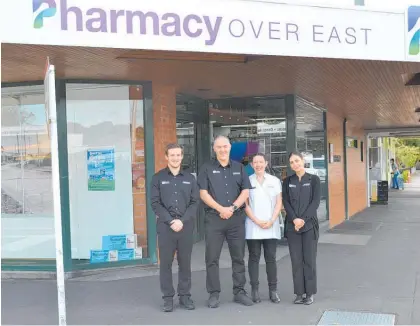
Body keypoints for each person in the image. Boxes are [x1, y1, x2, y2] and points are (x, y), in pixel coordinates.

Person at [197, 135, 254, 308]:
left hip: (235, 220)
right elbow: (203, 193)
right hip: (214, 220)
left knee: (238, 257)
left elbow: (245, 191)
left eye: (225, 146)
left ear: (230, 147)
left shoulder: (239, 167)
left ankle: (239, 292)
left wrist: (232, 208)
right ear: (214, 149)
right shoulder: (206, 168)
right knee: (212, 258)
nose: (223, 150)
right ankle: (214, 294)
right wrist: (221, 209)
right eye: (219, 147)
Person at [151, 143, 199, 312]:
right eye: (172, 155)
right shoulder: (157, 178)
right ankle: (168, 298)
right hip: (165, 227)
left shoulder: (190, 178)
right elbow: (155, 204)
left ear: (182, 156)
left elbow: (194, 203)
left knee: (185, 263)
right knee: (166, 263)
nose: (175, 158)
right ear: (166, 157)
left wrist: (182, 221)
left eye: (178, 155)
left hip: (185, 226)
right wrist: (171, 221)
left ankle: (185, 296)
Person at [282, 151, 321, 305]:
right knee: (296, 261)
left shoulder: (314, 180)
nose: (295, 164)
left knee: (309, 260)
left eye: (297, 161)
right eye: (292, 162)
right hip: (293, 227)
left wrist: (303, 220)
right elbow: (286, 202)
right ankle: (299, 293)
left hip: (309, 226)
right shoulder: (287, 181)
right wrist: (294, 219)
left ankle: (309, 293)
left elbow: (315, 202)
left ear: (303, 161)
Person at [245, 153, 283, 304]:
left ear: (266, 163)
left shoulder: (274, 180)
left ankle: (273, 291)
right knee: (253, 258)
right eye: (255, 162)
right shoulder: (248, 180)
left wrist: (272, 220)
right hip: (253, 226)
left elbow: (278, 203)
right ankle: (254, 290)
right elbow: (245, 204)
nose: (258, 165)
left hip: (270, 225)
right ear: (252, 165)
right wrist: (256, 221)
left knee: (271, 259)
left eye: (261, 162)